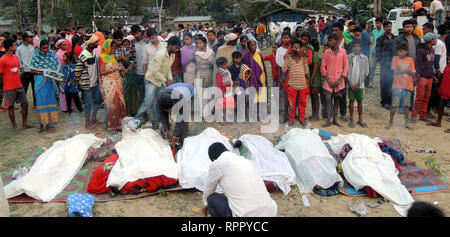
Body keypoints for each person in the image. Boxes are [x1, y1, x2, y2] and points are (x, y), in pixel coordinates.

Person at [202, 143, 277, 217]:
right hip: (270, 212)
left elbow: (208, 191)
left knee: (211, 198)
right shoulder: (244, 160)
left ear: (213, 159)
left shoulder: (217, 164)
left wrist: (207, 205)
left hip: (245, 215)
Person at [135, 36, 181, 127]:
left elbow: (168, 68)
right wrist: (166, 80)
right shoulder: (160, 54)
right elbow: (154, 72)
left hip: (161, 81)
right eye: (176, 47)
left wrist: (170, 78)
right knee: (148, 103)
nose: (177, 50)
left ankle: (155, 123)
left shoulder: (172, 55)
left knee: (158, 103)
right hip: (152, 80)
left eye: (178, 48)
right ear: (170, 45)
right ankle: (135, 120)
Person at [29, 40, 64, 133]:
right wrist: (42, 72)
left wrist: (50, 74)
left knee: (50, 101)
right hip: (40, 82)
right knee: (41, 102)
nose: (45, 50)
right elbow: (31, 69)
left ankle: (50, 124)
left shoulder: (52, 55)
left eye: (47, 48)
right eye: (43, 48)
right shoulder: (36, 56)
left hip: (49, 82)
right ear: (39, 48)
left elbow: (57, 67)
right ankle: (42, 123)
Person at [0, 38, 33, 133]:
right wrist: (4, 86)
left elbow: (17, 69)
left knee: (25, 104)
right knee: (10, 107)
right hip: (9, 87)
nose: (16, 46)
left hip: (19, 85)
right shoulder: (2, 60)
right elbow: (1, 75)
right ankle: (15, 127)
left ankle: (24, 123)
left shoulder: (15, 57)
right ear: (10, 47)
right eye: (15, 45)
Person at [75, 35, 103, 129]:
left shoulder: (92, 53)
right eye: (95, 42)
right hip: (87, 83)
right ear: (90, 44)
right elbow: (78, 69)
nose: (97, 44)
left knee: (98, 100)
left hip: (94, 82)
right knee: (88, 104)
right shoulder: (84, 54)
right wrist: (77, 81)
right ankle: (87, 123)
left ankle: (93, 119)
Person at [321, 34, 349, 128]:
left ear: (337, 41)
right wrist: (327, 79)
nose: (329, 42)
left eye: (331, 40)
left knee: (337, 100)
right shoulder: (327, 52)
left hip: (339, 81)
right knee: (328, 98)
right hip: (328, 81)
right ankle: (328, 119)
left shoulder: (343, 52)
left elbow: (346, 66)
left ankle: (335, 120)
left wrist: (341, 79)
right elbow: (323, 67)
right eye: (329, 41)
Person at [99, 39, 127, 131]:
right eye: (112, 48)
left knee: (118, 104)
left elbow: (114, 67)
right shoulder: (102, 57)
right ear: (107, 47)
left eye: (114, 48)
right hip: (109, 84)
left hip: (117, 82)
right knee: (111, 104)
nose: (113, 50)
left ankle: (117, 124)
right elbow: (102, 72)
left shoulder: (111, 57)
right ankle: (109, 125)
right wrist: (116, 69)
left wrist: (120, 69)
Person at [411, 33, 440, 123]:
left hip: (429, 76)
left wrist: (433, 76)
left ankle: (422, 115)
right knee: (419, 97)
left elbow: (430, 65)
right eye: (434, 39)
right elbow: (417, 64)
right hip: (422, 77)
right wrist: (418, 75)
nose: (435, 40)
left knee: (426, 97)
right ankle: (414, 116)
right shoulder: (421, 51)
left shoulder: (431, 49)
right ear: (430, 41)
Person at [386, 44, 416, 130]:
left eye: (401, 51)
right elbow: (396, 71)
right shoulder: (395, 59)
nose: (399, 53)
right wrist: (407, 70)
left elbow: (413, 73)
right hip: (397, 86)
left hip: (408, 86)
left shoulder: (410, 60)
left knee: (406, 106)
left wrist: (401, 70)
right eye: (398, 51)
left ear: (406, 51)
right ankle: (390, 122)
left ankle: (406, 123)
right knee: (394, 105)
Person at [394, 20, 421, 113]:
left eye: (410, 27)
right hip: (402, 65)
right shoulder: (399, 39)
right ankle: (401, 106)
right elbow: (395, 53)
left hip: (413, 65)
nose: (409, 29)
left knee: (411, 86)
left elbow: (419, 52)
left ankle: (409, 105)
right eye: (407, 27)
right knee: (402, 85)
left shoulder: (417, 38)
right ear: (403, 28)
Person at [158, 83, 194, 150]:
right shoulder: (160, 100)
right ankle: (178, 139)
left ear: (174, 103)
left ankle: (183, 142)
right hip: (173, 90)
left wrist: (175, 136)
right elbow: (163, 115)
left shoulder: (181, 99)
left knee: (184, 121)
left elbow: (181, 120)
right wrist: (167, 129)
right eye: (167, 111)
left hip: (190, 91)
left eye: (170, 110)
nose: (169, 113)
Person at [282, 40, 310, 126]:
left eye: (298, 47)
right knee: (292, 103)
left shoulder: (303, 59)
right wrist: (287, 55)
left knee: (302, 103)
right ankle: (291, 119)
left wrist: (305, 57)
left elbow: (306, 72)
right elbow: (284, 69)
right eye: (294, 47)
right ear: (291, 48)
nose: (296, 49)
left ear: (301, 49)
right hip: (292, 85)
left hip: (302, 85)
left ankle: (301, 119)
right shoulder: (289, 58)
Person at [243, 40, 268, 121]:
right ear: (248, 47)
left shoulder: (259, 54)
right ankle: (254, 114)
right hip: (252, 80)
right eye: (251, 45)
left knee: (262, 97)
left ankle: (262, 114)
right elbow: (246, 69)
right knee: (254, 97)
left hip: (261, 77)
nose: (254, 47)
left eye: (255, 45)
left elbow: (262, 66)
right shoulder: (246, 57)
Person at [347, 42, 369, 128]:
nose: (356, 48)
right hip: (351, 83)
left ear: (361, 48)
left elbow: (366, 72)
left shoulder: (365, 58)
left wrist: (359, 83)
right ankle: (351, 119)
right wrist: (349, 83)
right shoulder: (349, 57)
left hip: (360, 84)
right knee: (351, 101)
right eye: (355, 46)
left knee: (360, 101)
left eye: (358, 46)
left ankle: (360, 119)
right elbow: (346, 70)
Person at [377, 21, 397, 109]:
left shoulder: (395, 38)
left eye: (390, 26)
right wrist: (381, 62)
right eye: (387, 27)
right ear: (384, 28)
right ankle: (384, 102)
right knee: (384, 83)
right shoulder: (380, 39)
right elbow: (378, 52)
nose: (389, 28)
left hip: (394, 64)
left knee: (392, 82)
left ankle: (391, 101)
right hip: (385, 64)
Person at [427, 56, 450, 132]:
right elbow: (444, 80)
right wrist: (441, 89)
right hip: (445, 91)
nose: (449, 61)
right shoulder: (447, 68)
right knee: (441, 106)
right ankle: (438, 122)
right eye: (448, 60)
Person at [16, 31, 36, 108]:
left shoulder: (32, 47)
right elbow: (18, 59)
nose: (31, 38)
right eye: (30, 37)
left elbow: (34, 58)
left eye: (31, 37)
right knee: (24, 89)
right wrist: (21, 69)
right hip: (25, 71)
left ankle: (35, 103)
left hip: (33, 70)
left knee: (35, 88)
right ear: (25, 38)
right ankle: (23, 103)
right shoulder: (19, 49)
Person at [130, 25, 147, 113]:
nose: (136, 36)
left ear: (141, 32)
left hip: (148, 74)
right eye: (134, 34)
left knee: (149, 96)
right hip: (138, 73)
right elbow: (132, 59)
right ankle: (143, 115)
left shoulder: (147, 42)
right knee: (141, 95)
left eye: (137, 33)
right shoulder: (133, 44)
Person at [276, 31, 292, 122]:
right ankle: (284, 115)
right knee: (285, 96)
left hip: (293, 73)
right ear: (281, 39)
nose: (285, 39)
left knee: (292, 95)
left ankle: (292, 114)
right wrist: (279, 77)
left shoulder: (293, 48)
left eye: (287, 37)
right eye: (284, 38)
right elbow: (278, 65)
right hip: (283, 73)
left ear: (290, 38)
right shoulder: (279, 50)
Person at [216, 57, 236, 122]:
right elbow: (220, 84)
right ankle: (225, 118)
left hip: (228, 90)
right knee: (225, 106)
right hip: (224, 92)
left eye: (226, 64)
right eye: (225, 64)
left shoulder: (225, 71)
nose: (226, 65)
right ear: (220, 65)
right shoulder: (220, 73)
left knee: (228, 105)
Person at [309, 38, 322, 122]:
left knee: (315, 98)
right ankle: (313, 113)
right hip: (313, 79)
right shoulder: (314, 55)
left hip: (315, 80)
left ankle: (316, 115)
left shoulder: (315, 56)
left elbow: (315, 67)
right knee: (313, 97)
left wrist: (311, 78)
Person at [371, 18, 385, 88]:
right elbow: (374, 41)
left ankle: (383, 81)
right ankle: (371, 81)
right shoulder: (373, 31)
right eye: (376, 23)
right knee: (373, 67)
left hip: (381, 52)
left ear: (381, 23)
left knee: (382, 67)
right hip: (374, 51)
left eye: (378, 23)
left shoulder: (384, 31)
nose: (377, 24)